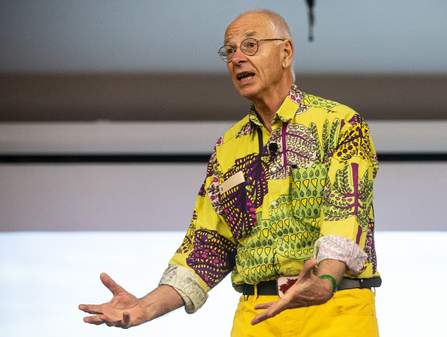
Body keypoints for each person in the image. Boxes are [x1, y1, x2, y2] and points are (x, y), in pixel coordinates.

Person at [79, 9, 381, 337]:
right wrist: (144, 307)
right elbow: (210, 243)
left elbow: (345, 210)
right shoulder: (228, 148)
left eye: (250, 45)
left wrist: (325, 279)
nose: (237, 58)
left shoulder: (338, 122)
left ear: (286, 52)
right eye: (230, 50)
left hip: (336, 308)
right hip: (257, 316)